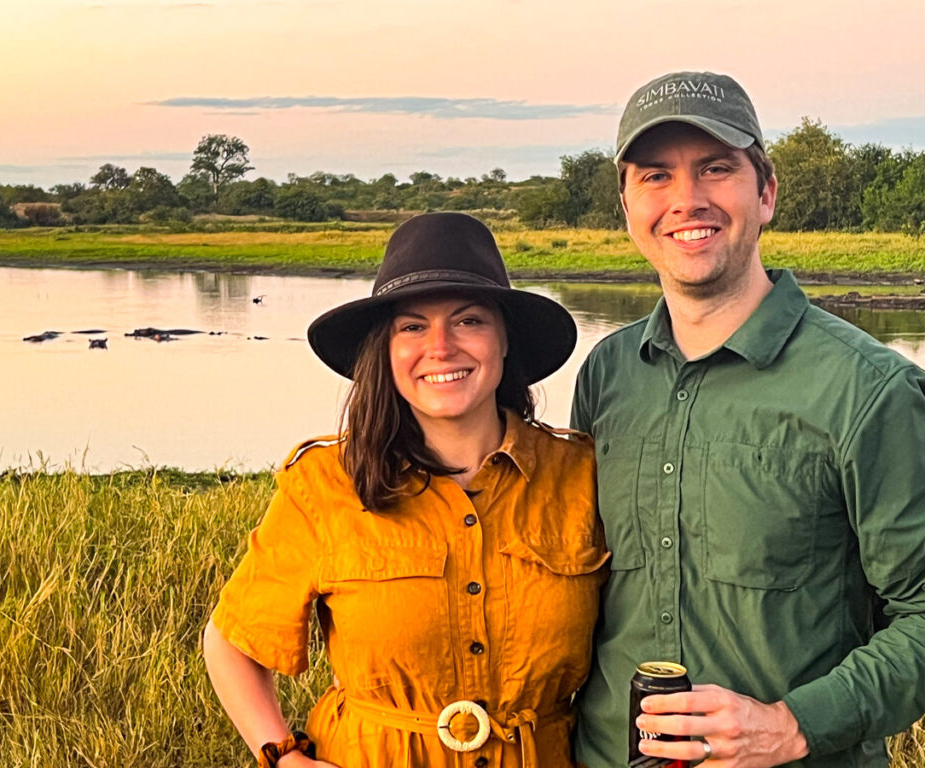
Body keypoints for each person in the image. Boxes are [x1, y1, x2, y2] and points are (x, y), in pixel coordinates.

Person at [570, 70, 925, 768]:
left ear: (764, 191)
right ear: (626, 203)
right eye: (655, 177)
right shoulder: (606, 375)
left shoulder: (870, 390)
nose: (686, 200)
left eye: (715, 169)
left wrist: (792, 724)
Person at [205, 212, 608, 768]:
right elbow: (231, 641)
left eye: (468, 322)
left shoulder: (582, 473)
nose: (440, 347)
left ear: (505, 339)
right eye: (412, 327)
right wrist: (284, 757)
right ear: (385, 351)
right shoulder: (324, 484)